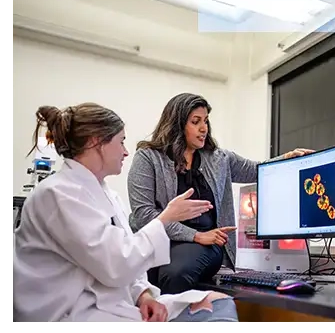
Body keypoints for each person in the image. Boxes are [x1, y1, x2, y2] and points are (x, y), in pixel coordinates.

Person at [13, 103, 240, 325]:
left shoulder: (107, 195)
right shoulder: (60, 194)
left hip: (108, 305)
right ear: (96, 142)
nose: (126, 151)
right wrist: (166, 218)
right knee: (214, 318)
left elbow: (124, 259)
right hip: (72, 315)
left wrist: (144, 296)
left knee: (216, 301)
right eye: (120, 141)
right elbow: (117, 263)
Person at [128, 92, 313, 294]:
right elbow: (144, 215)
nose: (203, 128)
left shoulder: (219, 158)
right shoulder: (148, 158)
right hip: (163, 240)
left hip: (209, 242)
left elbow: (256, 170)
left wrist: (287, 158)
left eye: (205, 121)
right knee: (145, 276)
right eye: (195, 121)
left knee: (176, 274)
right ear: (177, 124)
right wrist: (195, 235)